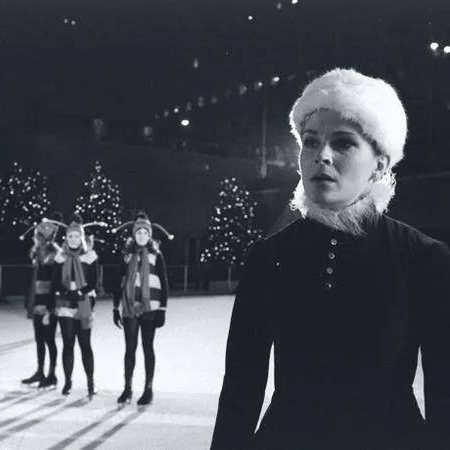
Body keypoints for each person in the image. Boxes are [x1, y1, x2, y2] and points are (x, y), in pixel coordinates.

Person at [211, 68, 450, 449]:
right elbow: (241, 390)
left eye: (343, 143)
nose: (321, 156)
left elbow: (444, 397)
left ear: (380, 163)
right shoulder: (268, 258)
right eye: (310, 141)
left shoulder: (424, 259)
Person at [112, 212, 171, 406]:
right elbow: (118, 282)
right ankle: (127, 388)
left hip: (151, 308)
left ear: (150, 235)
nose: (142, 236)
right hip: (129, 307)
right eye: (139, 232)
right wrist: (115, 307)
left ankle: (148, 389)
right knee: (130, 349)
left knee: (147, 347)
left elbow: (164, 282)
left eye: (145, 233)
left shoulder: (156, 255)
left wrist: (162, 308)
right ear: (134, 234)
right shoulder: (127, 255)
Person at [50, 213, 100, 398]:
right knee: (68, 344)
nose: (73, 239)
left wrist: (79, 291)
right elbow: (54, 281)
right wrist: (65, 292)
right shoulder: (60, 257)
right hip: (65, 305)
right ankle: (68, 382)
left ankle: (90, 382)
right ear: (66, 238)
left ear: (81, 237)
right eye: (70, 236)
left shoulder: (90, 256)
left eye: (76, 236)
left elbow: (94, 281)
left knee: (85, 344)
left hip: (85, 304)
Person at [21, 213, 64, 389]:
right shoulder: (36, 254)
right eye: (38, 235)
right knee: (39, 339)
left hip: (49, 303)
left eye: (41, 236)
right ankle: (40, 371)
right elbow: (33, 280)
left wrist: (50, 308)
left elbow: (56, 283)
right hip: (37, 301)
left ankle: (52, 374)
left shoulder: (56, 255)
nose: (38, 239)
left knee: (49, 340)